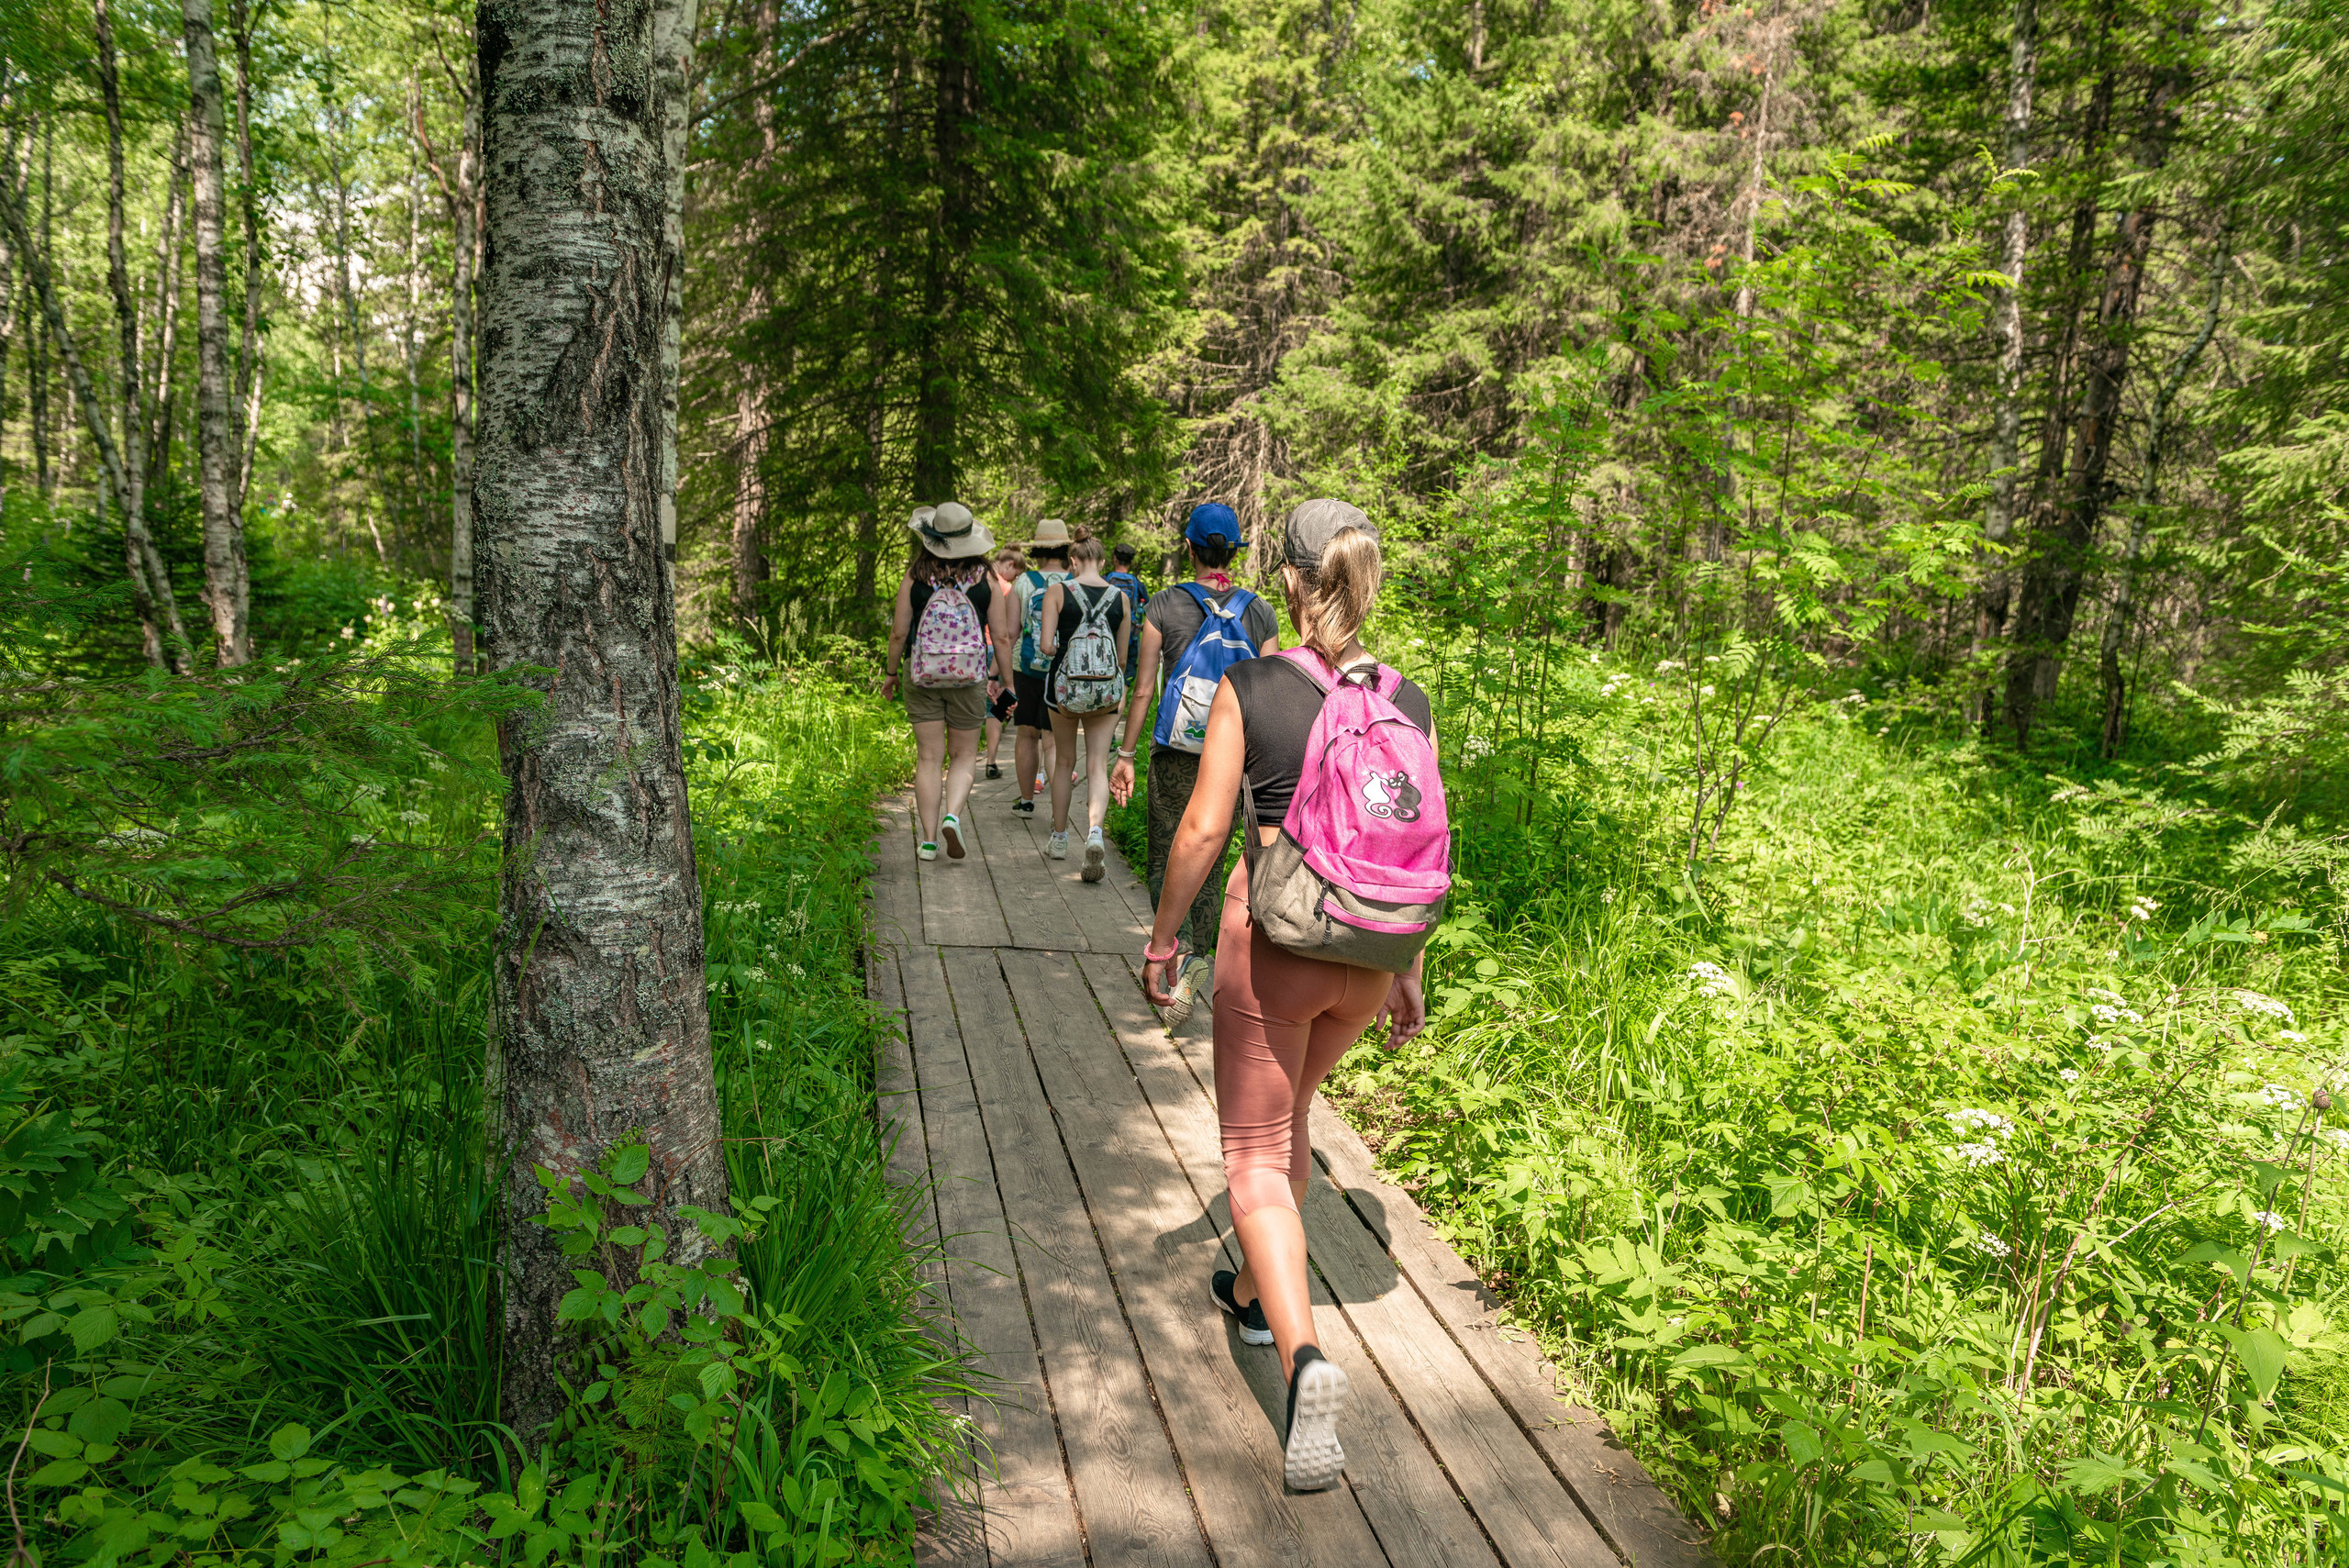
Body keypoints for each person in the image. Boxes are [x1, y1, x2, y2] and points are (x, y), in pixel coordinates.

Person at [1137, 499, 1430, 1493]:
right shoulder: (1407, 697)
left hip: (1281, 946)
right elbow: (1410, 838)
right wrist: (1409, 969)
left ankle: (1302, 1358)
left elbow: (1199, 832)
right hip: (1372, 955)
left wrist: (1164, 934)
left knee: (1255, 1154)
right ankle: (1258, 1294)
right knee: (1293, 1114)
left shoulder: (1251, 681)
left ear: (1291, 581)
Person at [1108, 503, 1280, 1026]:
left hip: (1175, 753)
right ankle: (1198, 958)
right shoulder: (1260, 611)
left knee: (1167, 855)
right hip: (1235, 756)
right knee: (1213, 858)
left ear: (1190, 548)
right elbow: (1269, 691)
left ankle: (1168, 951)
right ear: (1233, 551)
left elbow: (1143, 690)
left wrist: (1125, 753)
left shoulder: (1163, 604)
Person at [881, 502, 1012, 862]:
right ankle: (952, 815)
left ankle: (927, 841)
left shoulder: (917, 574)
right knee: (965, 754)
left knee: (928, 757)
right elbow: (1000, 638)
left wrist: (892, 674)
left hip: (921, 674)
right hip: (969, 678)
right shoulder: (986, 578)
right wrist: (1007, 683)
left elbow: (898, 632)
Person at [1037, 531, 1130, 882]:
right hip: (1105, 693)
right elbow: (1121, 658)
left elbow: (1047, 646)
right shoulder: (1120, 598)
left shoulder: (1058, 591)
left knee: (1063, 761)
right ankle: (1094, 833)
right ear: (1103, 562)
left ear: (1072, 561)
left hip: (1064, 691)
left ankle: (1059, 839)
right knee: (1096, 765)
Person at [1009, 520, 1075, 817]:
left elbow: (1010, 632)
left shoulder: (1023, 582)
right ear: (1065, 549)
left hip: (1026, 669)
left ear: (1037, 549)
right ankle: (1056, 811)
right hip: (1063, 669)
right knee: (1053, 743)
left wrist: (999, 674)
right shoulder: (1075, 583)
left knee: (1026, 735)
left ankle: (1026, 801)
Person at [982, 546, 1026, 779]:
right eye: (1016, 572)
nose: (1016, 577)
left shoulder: (978, 576)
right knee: (994, 709)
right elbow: (1007, 631)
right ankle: (990, 761)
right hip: (995, 649)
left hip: (974, 648)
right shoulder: (1007, 587)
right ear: (1009, 564)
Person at [1105, 542, 1151, 751]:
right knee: (1122, 687)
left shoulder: (1104, 580)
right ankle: (1111, 731)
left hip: (1105, 641)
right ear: (1131, 562)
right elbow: (1146, 612)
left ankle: (1101, 728)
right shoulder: (1138, 585)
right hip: (1130, 641)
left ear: (1114, 558)